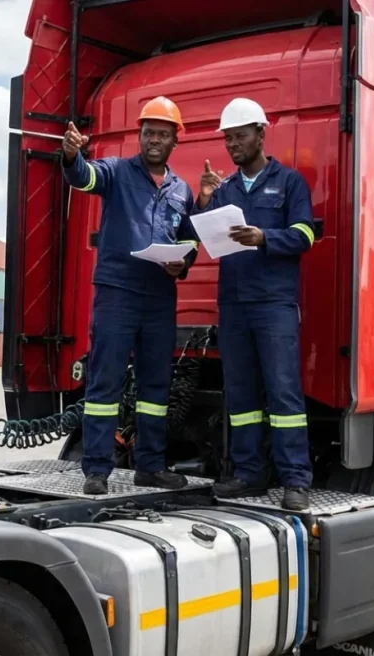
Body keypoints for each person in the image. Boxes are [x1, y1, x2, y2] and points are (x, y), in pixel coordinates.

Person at [61, 96, 199, 495]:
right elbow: (84, 177)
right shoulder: (117, 172)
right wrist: (72, 156)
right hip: (118, 292)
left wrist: (184, 263)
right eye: (148, 132)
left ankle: (150, 467)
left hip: (159, 297)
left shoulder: (181, 189)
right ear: (139, 136)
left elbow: (188, 238)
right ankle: (97, 469)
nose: (154, 139)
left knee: (156, 388)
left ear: (176, 140)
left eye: (162, 134)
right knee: (106, 383)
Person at [195, 97, 315, 511]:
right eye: (227, 139)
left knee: (283, 395)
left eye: (240, 137)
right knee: (242, 395)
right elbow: (206, 239)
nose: (232, 146)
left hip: (274, 305)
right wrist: (205, 202)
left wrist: (265, 238)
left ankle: (295, 480)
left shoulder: (290, 182)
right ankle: (249, 474)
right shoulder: (224, 189)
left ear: (261, 134)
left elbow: (304, 235)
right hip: (234, 306)